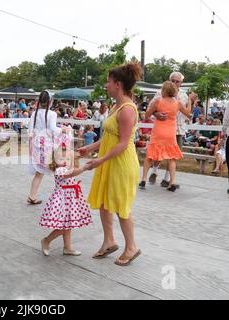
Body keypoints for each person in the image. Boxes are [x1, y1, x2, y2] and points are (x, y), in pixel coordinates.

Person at [80, 62, 142, 266]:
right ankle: (109, 241)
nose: (106, 86)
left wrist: (100, 159)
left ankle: (131, 246)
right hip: (110, 161)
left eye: (108, 82)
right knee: (105, 203)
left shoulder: (127, 110)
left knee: (120, 205)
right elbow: (109, 137)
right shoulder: (116, 106)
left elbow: (124, 144)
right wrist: (89, 149)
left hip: (121, 163)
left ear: (118, 84)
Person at [139, 81, 195, 191]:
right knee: (171, 158)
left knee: (150, 156)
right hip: (170, 133)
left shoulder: (157, 101)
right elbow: (188, 114)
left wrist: (156, 113)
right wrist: (189, 100)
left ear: (163, 90)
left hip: (158, 131)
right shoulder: (178, 103)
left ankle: (144, 180)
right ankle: (172, 182)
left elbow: (146, 116)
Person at [40, 143, 92, 257]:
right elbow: (71, 173)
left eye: (67, 158)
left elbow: (72, 163)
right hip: (62, 200)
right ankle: (46, 240)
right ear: (54, 160)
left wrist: (77, 155)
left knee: (68, 225)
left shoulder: (68, 166)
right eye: (60, 158)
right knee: (64, 226)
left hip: (71, 198)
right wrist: (83, 168)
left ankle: (68, 248)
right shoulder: (59, 171)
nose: (64, 161)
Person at [27, 91, 61, 205]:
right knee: (58, 169)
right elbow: (52, 129)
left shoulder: (34, 114)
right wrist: (63, 130)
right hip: (47, 145)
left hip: (37, 145)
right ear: (50, 101)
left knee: (40, 172)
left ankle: (32, 196)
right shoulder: (52, 114)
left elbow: (30, 131)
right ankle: (62, 196)